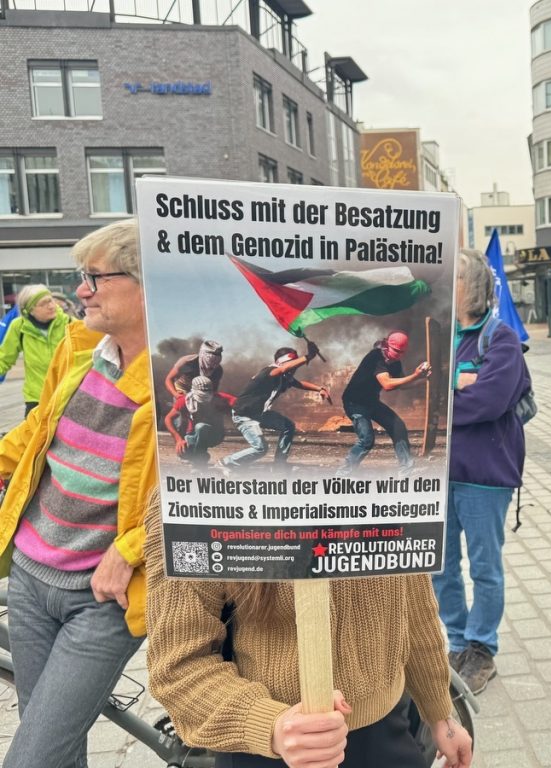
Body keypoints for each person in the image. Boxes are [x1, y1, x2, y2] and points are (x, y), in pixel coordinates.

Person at [144, 495, 473, 768]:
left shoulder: (390, 469)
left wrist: (439, 714)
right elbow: (178, 665)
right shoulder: (190, 491)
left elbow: (413, 605)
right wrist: (271, 725)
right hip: (268, 749)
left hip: (389, 732)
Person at [0, 219, 156, 768]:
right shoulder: (85, 349)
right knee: (57, 753)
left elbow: (200, 491)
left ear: (146, 285)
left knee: (32, 758)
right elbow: (37, 430)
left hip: (103, 599)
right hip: (28, 578)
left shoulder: (177, 381)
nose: (80, 291)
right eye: (79, 277)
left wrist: (131, 548)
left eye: (93, 278)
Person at [431, 249, 530, 695]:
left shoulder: (501, 339)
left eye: (453, 281)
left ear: (473, 288)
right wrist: (459, 382)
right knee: (442, 567)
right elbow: (419, 391)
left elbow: (489, 402)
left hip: (485, 475)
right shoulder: (438, 336)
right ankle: (456, 643)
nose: (444, 289)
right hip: (438, 475)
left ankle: (482, 649)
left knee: (485, 568)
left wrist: (444, 389)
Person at [220, 342, 330, 472]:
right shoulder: (269, 372)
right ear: (282, 363)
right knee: (260, 449)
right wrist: (309, 356)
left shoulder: (284, 377)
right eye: (292, 365)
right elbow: (283, 369)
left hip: (259, 414)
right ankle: (226, 462)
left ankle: (279, 465)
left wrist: (320, 389)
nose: (293, 370)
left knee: (288, 426)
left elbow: (299, 383)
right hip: (244, 415)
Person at [338, 331, 430, 477]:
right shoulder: (375, 357)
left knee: (398, 427)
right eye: (396, 351)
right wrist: (415, 375)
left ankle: (406, 472)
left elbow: (401, 384)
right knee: (367, 440)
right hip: (354, 403)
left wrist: (423, 381)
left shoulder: (395, 363)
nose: (399, 355)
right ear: (387, 345)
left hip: (371, 401)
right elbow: (387, 384)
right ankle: (343, 474)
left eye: (402, 352)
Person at [0, 285, 73, 416]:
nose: (51, 306)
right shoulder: (19, 326)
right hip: (36, 398)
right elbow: (4, 358)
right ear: (29, 310)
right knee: (34, 436)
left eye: (50, 300)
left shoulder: (70, 324)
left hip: (68, 396)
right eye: (43, 304)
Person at [164, 375, 236, 465]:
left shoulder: (220, 398)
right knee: (183, 453)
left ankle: (198, 460)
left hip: (215, 434)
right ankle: (201, 455)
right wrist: (178, 439)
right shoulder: (185, 401)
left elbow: (240, 405)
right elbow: (168, 419)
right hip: (192, 434)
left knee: (201, 427)